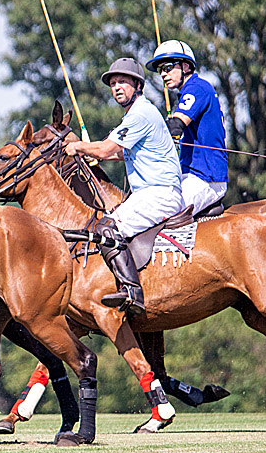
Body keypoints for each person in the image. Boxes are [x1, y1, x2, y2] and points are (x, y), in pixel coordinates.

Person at [63, 57, 184, 316]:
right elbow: (120, 154)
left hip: (160, 193)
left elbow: (108, 150)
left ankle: (132, 292)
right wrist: (94, 151)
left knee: (106, 227)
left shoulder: (140, 114)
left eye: (123, 82)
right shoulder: (136, 114)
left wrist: (78, 147)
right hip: (153, 192)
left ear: (137, 85)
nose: (117, 87)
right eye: (113, 83)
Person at [145, 40, 227, 216]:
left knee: (161, 214)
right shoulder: (187, 92)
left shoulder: (197, 88)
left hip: (207, 177)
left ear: (185, 66)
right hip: (190, 175)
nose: (163, 75)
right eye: (160, 71)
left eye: (167, 68)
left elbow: (175, 126)